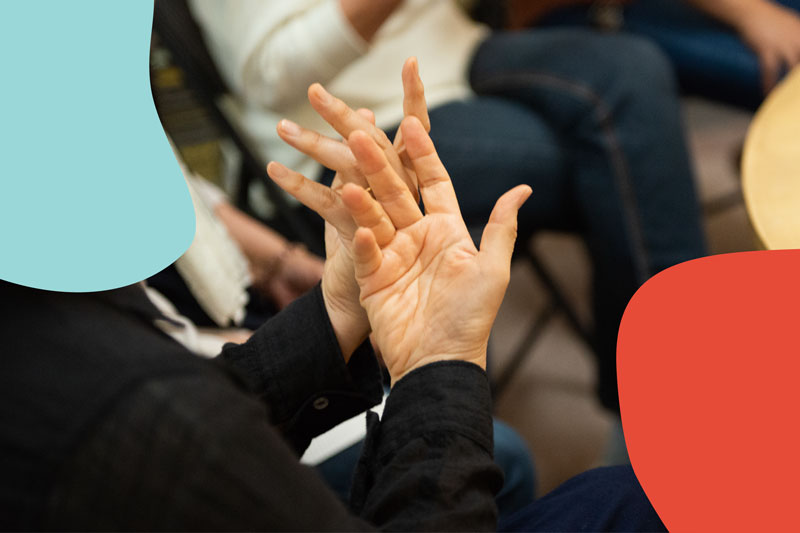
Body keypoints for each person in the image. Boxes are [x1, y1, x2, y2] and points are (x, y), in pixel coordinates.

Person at [0, 65, 665, 531]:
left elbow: (210, 396)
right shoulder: (140, 411)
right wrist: (440, 362)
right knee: (647, 501)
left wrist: (337, 314)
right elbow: (185, 422)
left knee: (618, 77)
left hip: (464, 63)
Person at [189, 0, 708, 419]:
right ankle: (669, 404)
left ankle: (665, 396)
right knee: (624, 150)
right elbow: (267, 75)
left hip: (457, 52)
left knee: (634, 68)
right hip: (359, 128)